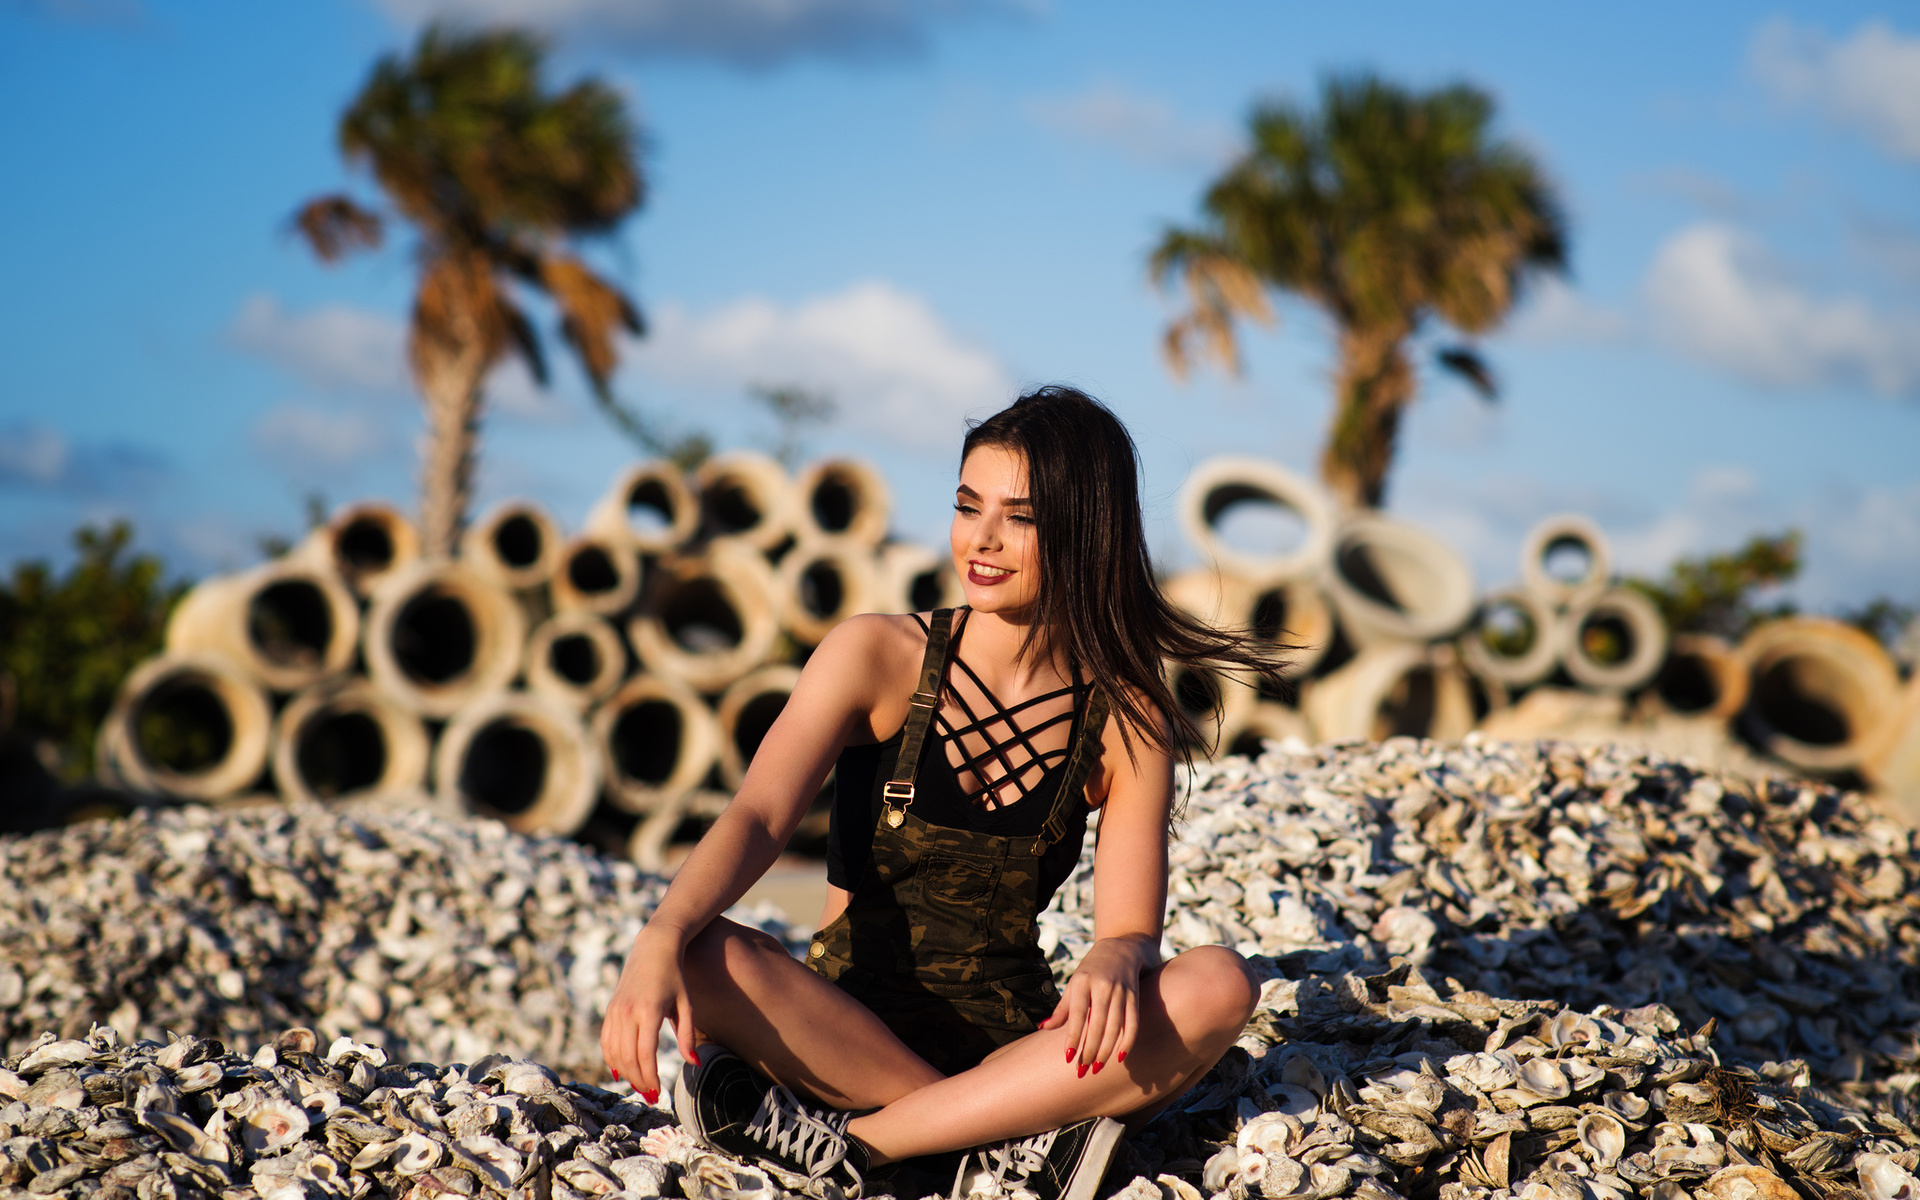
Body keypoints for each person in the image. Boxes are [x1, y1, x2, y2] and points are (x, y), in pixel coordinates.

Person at [600, 387, 1291, 1200]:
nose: (982, 539)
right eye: (969, 506)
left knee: (1218, 984)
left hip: (1015, 1052)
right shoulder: (876, 653)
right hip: (843, 1031)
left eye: (1020, 517)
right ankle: (997, 1150)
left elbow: (1133, 930)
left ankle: (861, 1147)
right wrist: (659, 935)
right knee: (703, 949)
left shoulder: (1125, 715)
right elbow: (757, 815)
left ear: (1084, 530)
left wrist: (1118, 953)